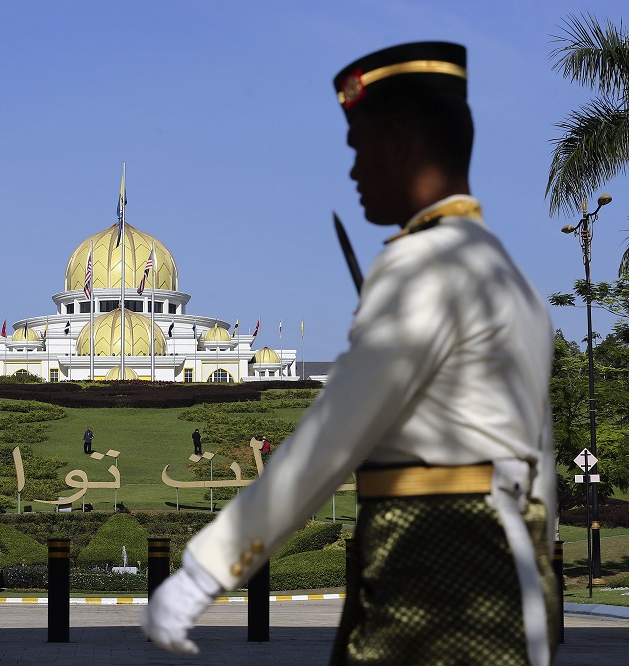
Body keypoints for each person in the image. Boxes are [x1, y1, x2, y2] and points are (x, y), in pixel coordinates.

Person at [142, 41, 557, 666]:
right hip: (510, 577)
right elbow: (539, 463)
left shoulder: (421, 266)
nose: (355, 171)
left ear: (402, 143)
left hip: (436, 573)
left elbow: (332, 436)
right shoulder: (510, 277)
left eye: (360, 148)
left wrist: (205, 571)